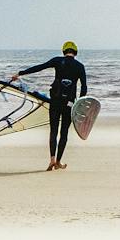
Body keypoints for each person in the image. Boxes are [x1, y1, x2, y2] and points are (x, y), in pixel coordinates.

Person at [12, 41, 87, 170]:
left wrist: (20, 73)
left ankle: (52, 159)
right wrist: (79, 104)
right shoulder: (80, 66)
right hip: (69, 103)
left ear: (64, 51)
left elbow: (39, 67)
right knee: (64, 133)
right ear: (75, 52)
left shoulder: (57, 61)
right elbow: (84, 87)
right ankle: (58, 162)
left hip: (55, 101)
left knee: (53, 130)